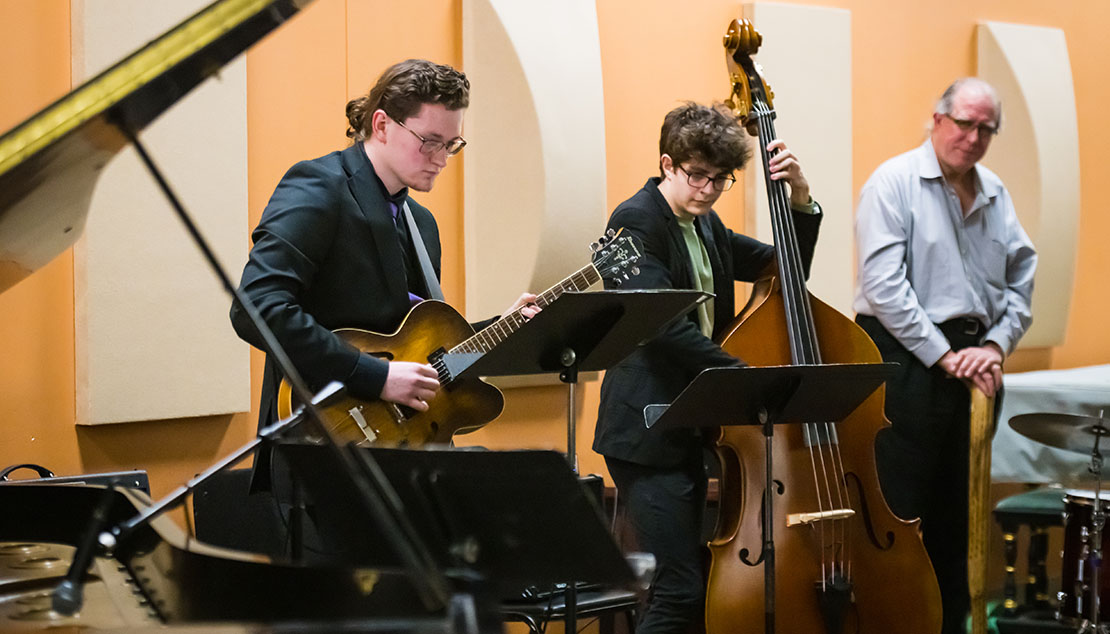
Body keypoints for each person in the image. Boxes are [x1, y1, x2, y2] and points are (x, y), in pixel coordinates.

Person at [229, 59, 537, 551]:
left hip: (406, 463)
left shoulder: (422, 224)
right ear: (381, 125)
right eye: (429, 141)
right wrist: (374, 376)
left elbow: (415, 350)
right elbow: (256, 308)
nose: (440, 157)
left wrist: (504, 327)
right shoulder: (319, 187)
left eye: (451, 144)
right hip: (327, 449)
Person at [593, 102, 822, 634]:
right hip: (644, 435)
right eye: (698, 176)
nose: (708, 189)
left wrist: (802, 202)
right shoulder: (634, 220)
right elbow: (664, 328)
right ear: (668, 164)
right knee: (678, 592)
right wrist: (743, 376)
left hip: (689, 424)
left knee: (692, 586)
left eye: (721, 180)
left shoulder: (707, 222)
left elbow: (784, 267)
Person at [853, 77, 1037, 634]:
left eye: (987, 128)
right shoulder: (894, 182)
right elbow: (884, 288)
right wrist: (944, 356)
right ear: (937, 119)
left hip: (976, 364)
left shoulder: (995, 192)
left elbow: (1021, 280)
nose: (974, 136)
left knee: (961, 519)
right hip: (906, 361)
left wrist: (995, 346)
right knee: (903, 514)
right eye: (964, 122)